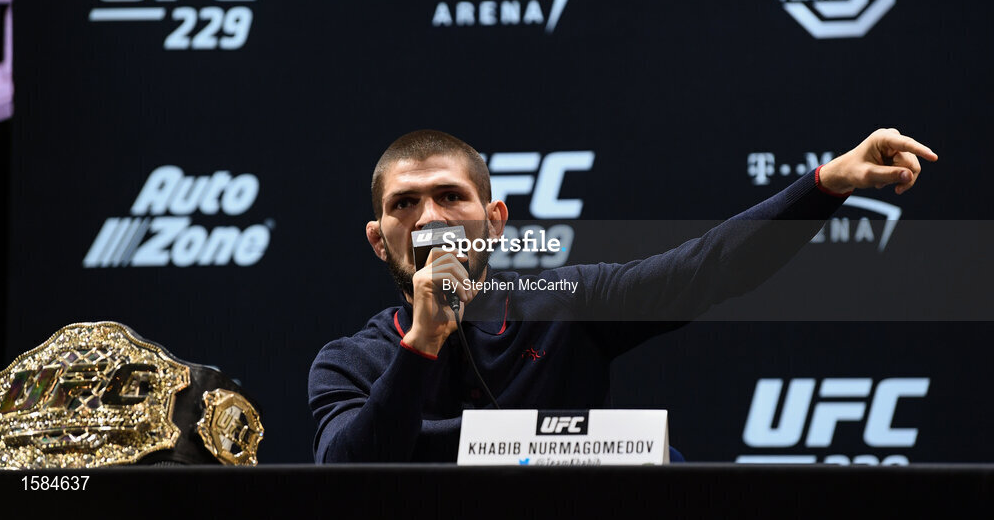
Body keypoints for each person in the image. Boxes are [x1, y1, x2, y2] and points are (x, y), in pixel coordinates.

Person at [308, 128, 937, 462]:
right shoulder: (347, 362)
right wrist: (421, 344)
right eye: (404, 204)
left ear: (495, 220)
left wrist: (825, 184)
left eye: (450, 196)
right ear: (378, 239)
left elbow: (707, 268)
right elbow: (346, 474)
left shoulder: (565, 301)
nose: (431, 219)